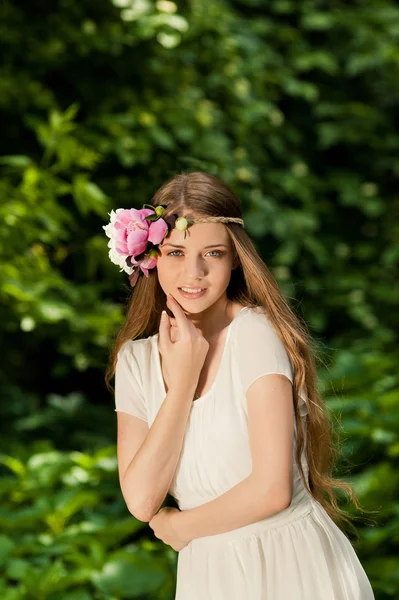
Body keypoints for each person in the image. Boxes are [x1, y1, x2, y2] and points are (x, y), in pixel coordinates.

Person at [104, 171, 375, 599]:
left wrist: (179, 526)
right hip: (210, 576)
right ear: (152, 258)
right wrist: (183, 383)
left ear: (235, 259)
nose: (194, 273)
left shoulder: (255, 333)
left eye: (213, 252)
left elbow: (272, 491)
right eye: (176, 252)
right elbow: (141, 500)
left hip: (290, 564)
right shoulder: (135, 362)